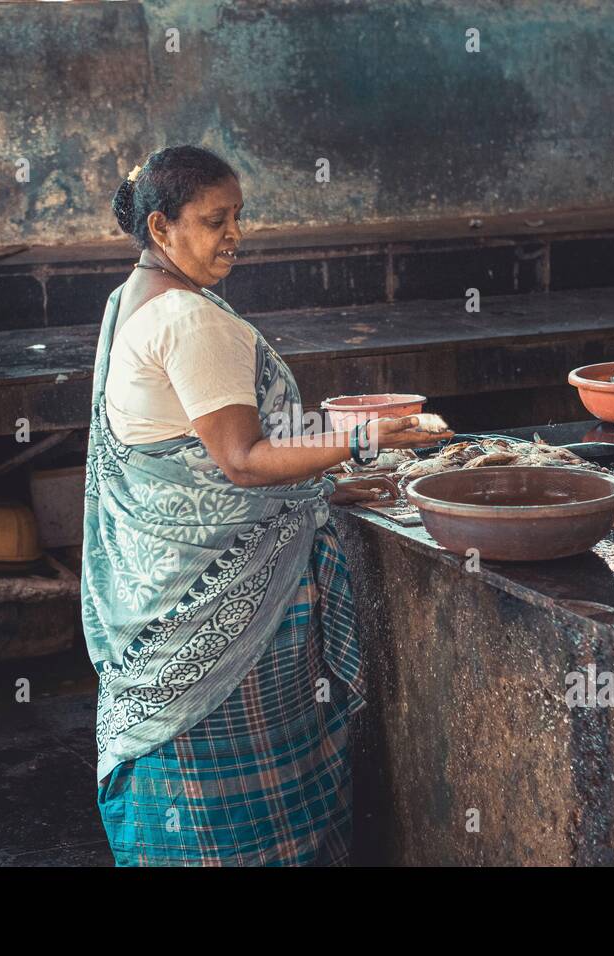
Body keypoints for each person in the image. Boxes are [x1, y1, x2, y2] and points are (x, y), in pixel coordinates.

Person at [82, 144, 450, 866]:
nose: (235, 236)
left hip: (159, 605)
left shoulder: (131, 299)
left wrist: (331, 471)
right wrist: (363, 439)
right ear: (161, 227)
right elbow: (242, 460)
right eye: (215, 221)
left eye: (238, 218)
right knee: (250, 799)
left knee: (188, 799)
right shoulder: (192, 321)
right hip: (226, 614)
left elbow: (200, 444)